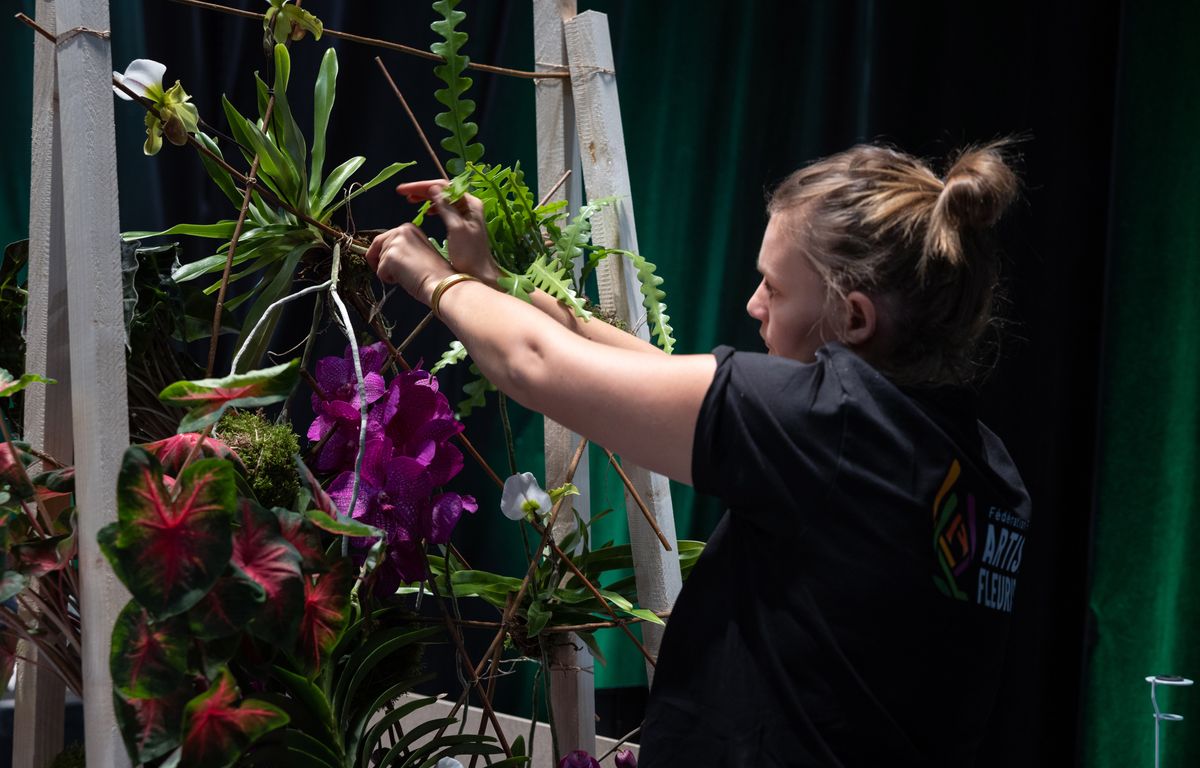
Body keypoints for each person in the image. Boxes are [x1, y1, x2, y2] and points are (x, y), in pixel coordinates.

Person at [366, 142, 1031, 767]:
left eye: (773, 286)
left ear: (854, 319)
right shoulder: (978, 467)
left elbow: (533, 364)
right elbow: (659, 376)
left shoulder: (829, 427)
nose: (754, 304)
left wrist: (433, 280)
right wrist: (500, 283)